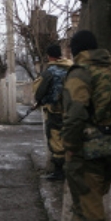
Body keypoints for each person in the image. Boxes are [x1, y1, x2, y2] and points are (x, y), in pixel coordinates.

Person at [47, 30, 111, 221]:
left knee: (90, 205)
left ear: (76, 51)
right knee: (87, 200)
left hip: (88, 149)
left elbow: (74, 117)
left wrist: (69, 148)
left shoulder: (80, 73)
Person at [34, 44, 72, 181]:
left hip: (56, 111)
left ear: (49, 56)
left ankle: (59, 172)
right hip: (75, 112)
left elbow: (38, 92)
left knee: (56, 140)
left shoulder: (50, 71)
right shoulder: (73, 68)